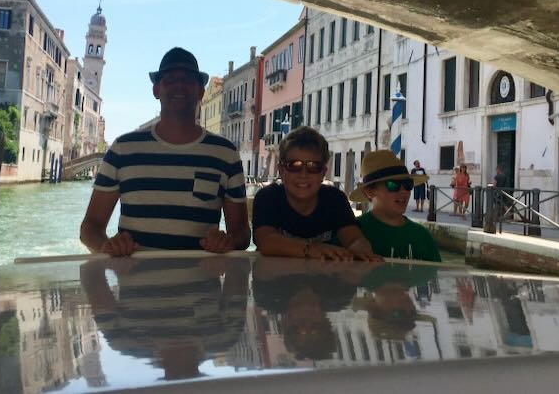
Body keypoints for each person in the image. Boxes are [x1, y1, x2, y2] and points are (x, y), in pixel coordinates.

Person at [80, 47, 251, 255]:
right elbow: (90, 228)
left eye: (188, 79)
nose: (179, 85)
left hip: (202, 288)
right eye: (170, 80)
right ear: (156, 90)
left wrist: (227, 242)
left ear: (200, 91)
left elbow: (242, 233)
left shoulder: (226, 154)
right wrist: (107, 246)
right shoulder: (122, 151)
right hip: (135, 286)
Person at [80, 255, 250, 381]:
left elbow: (90, 272)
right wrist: (223, 256)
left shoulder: (124, 341)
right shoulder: (225, 336)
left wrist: (109, 256)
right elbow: (240, 266)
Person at [252, 126, 381, 261]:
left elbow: (354, 239)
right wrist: (311, 248)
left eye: (313, 167)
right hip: (273, 277)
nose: (303, 174)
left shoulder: (334, 199)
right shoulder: (268, 197)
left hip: (322, 279)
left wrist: (360, 249)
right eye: (294, 165)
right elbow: (266, 242)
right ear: (281, 170)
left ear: (323, 173)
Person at [349, 150, 441, 262]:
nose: (404, 191)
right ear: (369, 191)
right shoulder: (351, 233)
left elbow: (434, 277)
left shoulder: (422, 236)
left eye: (408, 184)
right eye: (393, 185)